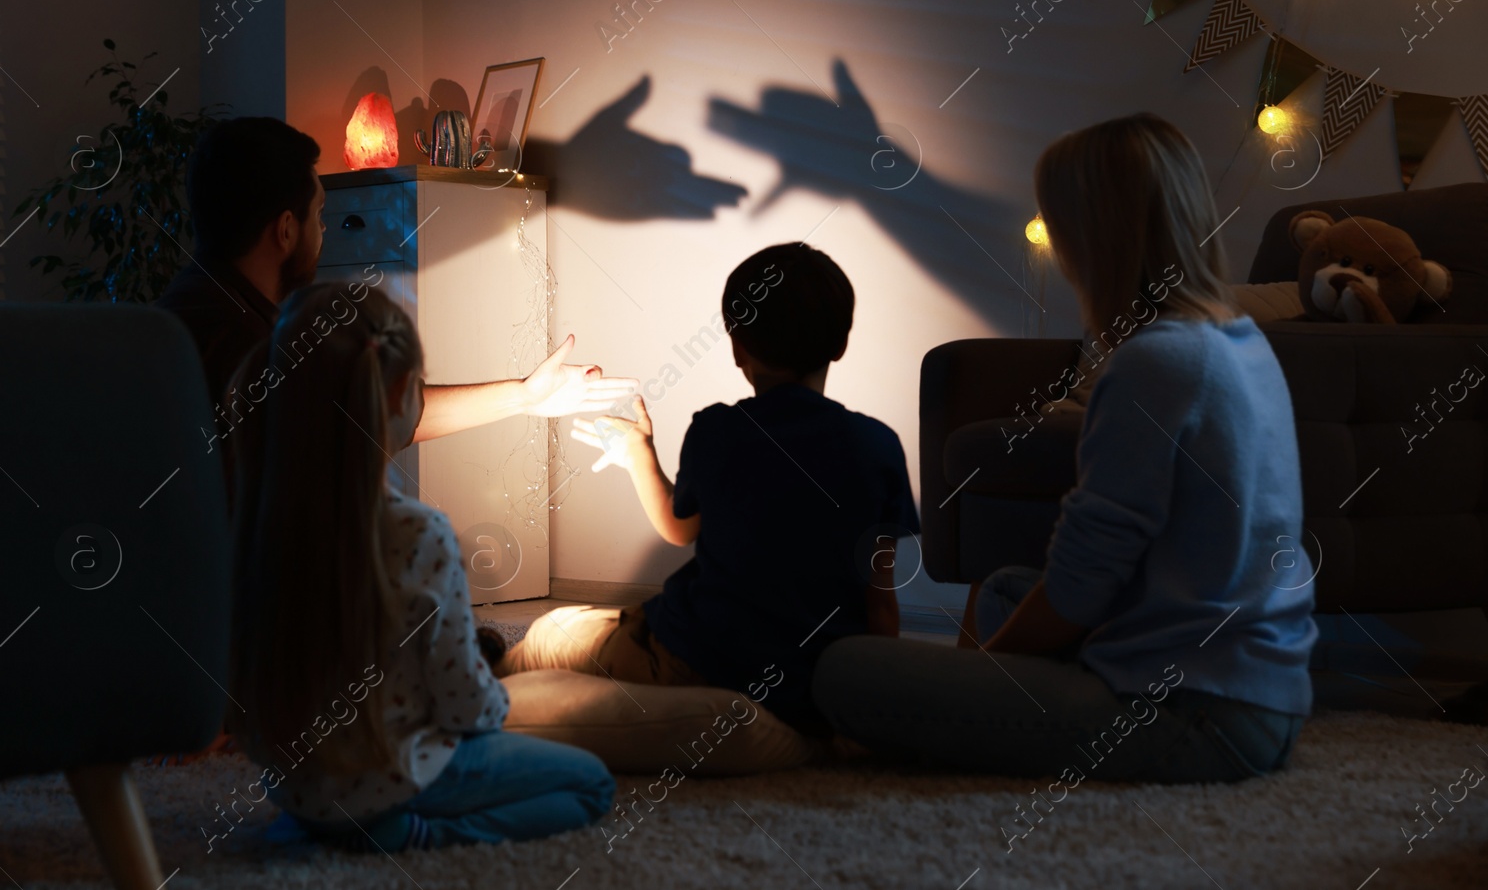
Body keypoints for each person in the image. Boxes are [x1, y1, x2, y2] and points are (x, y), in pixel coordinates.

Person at [812, 114, 1317, 787]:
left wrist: (972, 678)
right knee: (1001, 592)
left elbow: (1080, 588)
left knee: (842, 668)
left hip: (1192, 711)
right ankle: (961, 720)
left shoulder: (1154, 363)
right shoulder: (1242, 342)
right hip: (1263, 689)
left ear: (1094, 234)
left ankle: (946, 730)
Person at [227, 283, 614, 851]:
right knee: (591, 784)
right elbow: (467, 708)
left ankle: (340, 826)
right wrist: (504, 697)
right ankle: (415, 835)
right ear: (408, 393)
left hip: (297, 795)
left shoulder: (255, 524)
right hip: (396, 783)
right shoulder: (418, 533)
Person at [499, 243, 918, 734]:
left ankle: (480, 688)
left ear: (738, 345)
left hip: (694, 659)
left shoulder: (718, 431)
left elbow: (680, 530)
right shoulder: (878, 445)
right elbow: (880, 603)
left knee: (552, 634)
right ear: (840, 344)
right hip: (812, 675)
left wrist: (639, 456)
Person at [155, 116, 633, 441]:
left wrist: (525, 395)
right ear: (284, 230)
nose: (323, 232)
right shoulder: (251, 348)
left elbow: (376, 411)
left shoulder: (177, 319)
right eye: (319, 215)